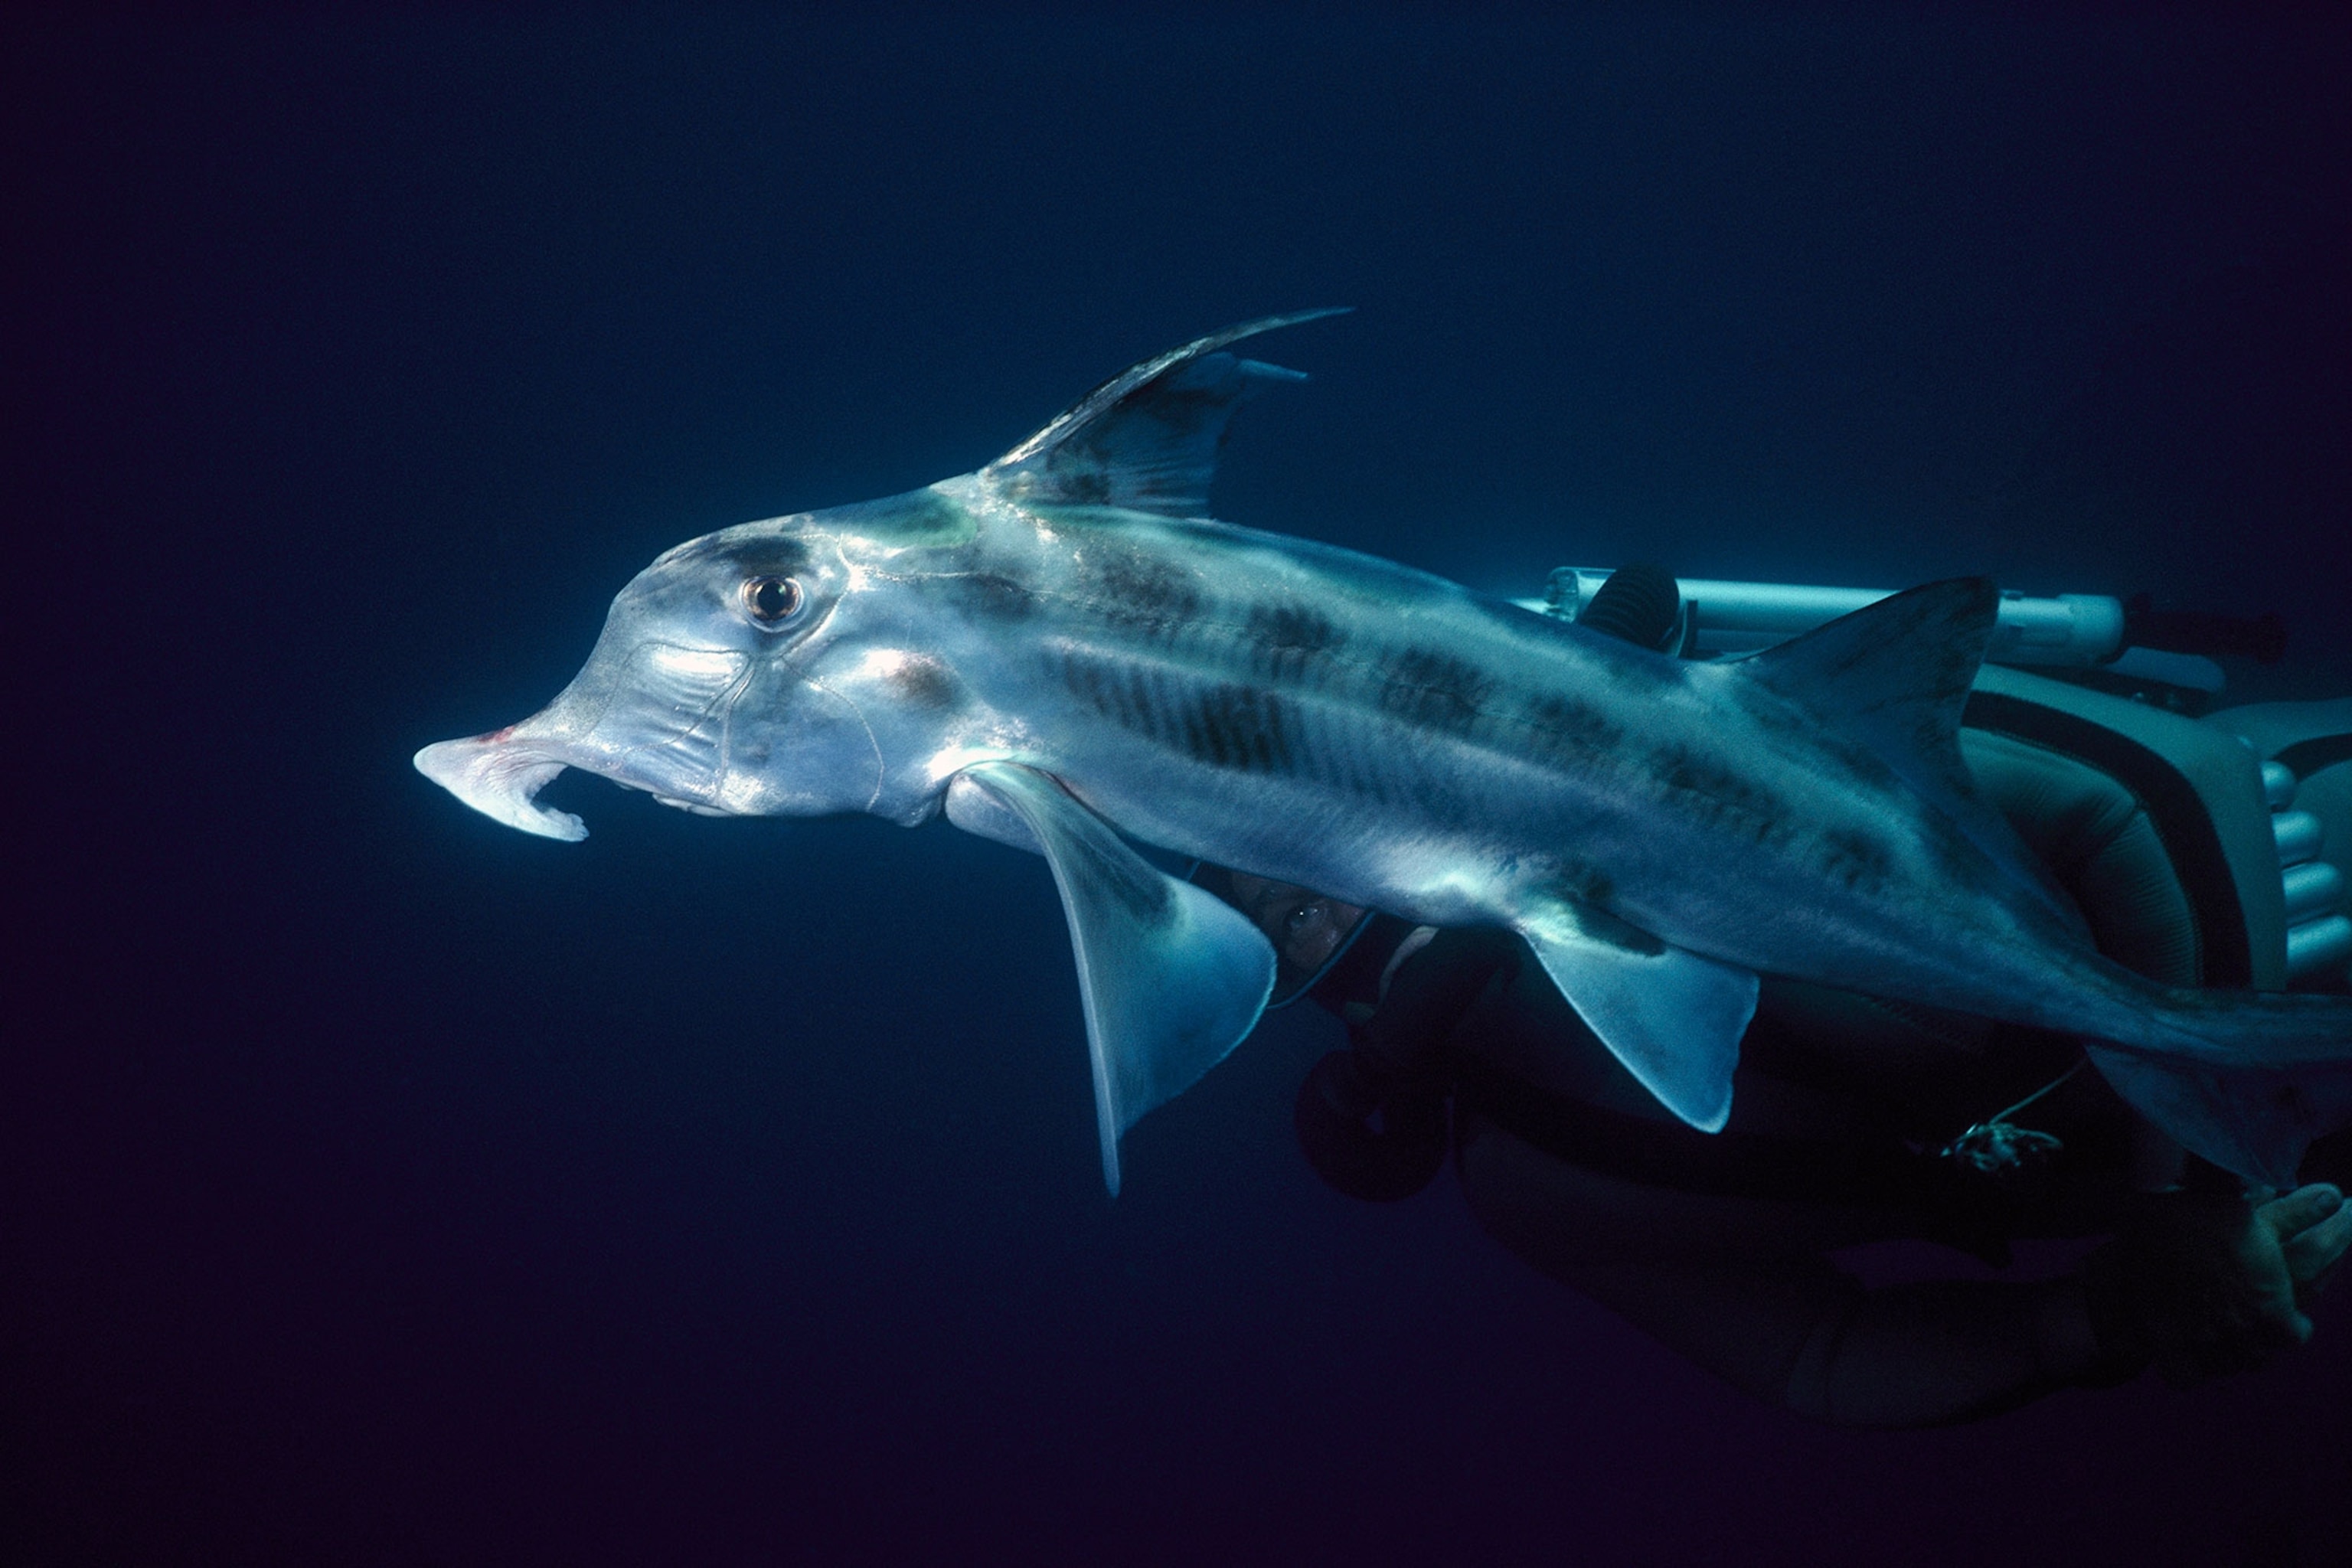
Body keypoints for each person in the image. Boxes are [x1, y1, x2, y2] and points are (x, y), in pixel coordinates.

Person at [1197, 570, 2352, 1429]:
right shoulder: (1535, 1182)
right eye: (1293, 925)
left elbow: (2162, 789)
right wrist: (2105, 1317)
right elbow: (1820, 1357)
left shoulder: (1668, 755)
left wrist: (2195, 1201)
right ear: (1306, 1006)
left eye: (1317, 847)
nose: (1328, 893)